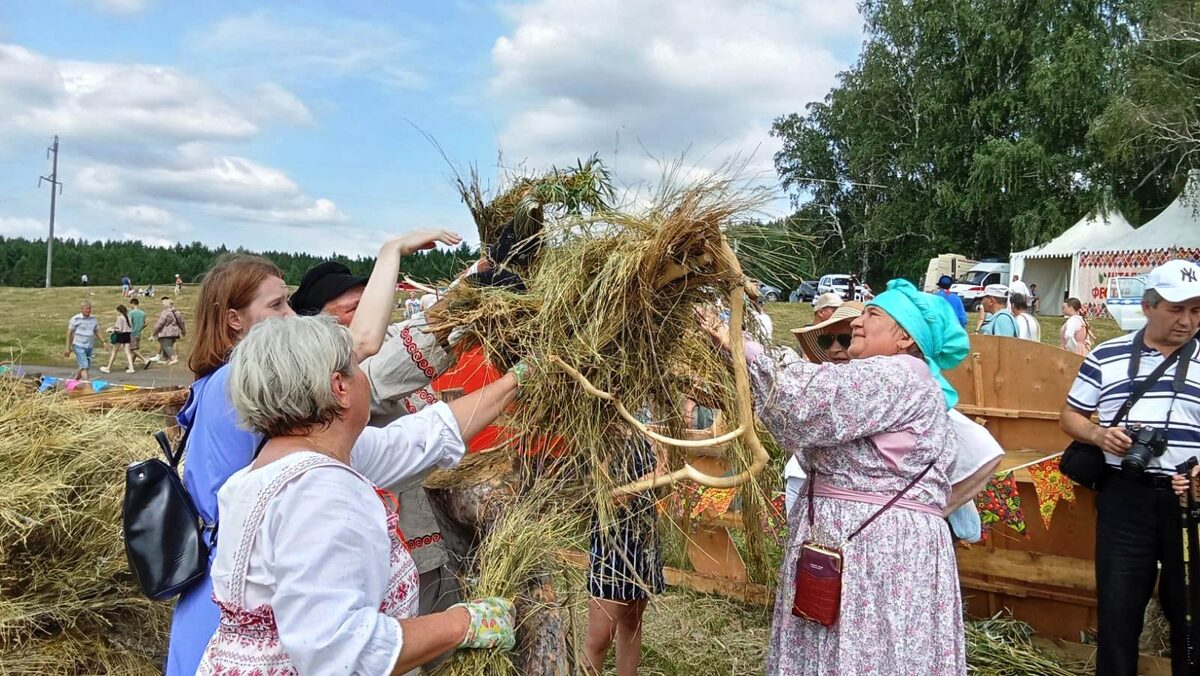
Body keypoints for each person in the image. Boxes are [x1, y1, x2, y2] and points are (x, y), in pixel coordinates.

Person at [168, 233, 469, 674]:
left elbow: (387, 446)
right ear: (234, 319)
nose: (291, 316)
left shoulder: (237, 390)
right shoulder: (243, 385)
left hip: (240, 594)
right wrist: (396, 256)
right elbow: (361, 345)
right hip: (249, 614)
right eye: (276, 307)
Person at [197, 314, 517, 673]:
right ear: (340, 387)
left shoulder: (276, 469)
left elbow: (418, 438)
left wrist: (515, 380)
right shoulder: (320, 493)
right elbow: (342, 653)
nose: (365, 375)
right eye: (356, 366)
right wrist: (463, 623)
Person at [703, 278, 970, 673]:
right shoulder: (893, 380)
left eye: (873, 314)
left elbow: (807, 399)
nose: (858, 322)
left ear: (905, 339)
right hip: (864, 545)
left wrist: (739, 343)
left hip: (877, 554)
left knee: (868, 651)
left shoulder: (899, 374)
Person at [288, 236, 469, 622]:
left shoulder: (382, 339)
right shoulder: (331, 376)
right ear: (320, 323)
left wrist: (476, 277)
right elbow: (392, 365)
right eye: (357, 308)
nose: (375, 313)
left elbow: (419, 326)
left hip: (441, 521)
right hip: (398, 539)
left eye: (375, 300)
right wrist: (466, 294)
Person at [1061, 259, 1200, 676]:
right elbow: (1070, 416)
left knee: (1190, 614)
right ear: (1147, 306)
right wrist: (1101, 436)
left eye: (1196, 310)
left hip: (1188, 501)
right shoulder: (1108, 354)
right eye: (1176, 309)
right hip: (1125, 497)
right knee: (1118, 613)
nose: (1187, 320)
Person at [582, 435, 666, 676]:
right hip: (610, 541)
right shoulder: (599, 429)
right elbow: (604, 498)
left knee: (632, 622)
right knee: (600, 634)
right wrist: (653, 477)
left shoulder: (648, 424)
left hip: (643, 537)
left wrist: (661, 464)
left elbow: (663, 475)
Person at [65, 301, 104, 380]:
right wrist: (67, 347)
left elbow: (96, 331)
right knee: (85, 366)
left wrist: (103, 342)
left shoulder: (93, 319)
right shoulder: (76, 319)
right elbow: (69, 333)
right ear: (82, 309)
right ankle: (87, 386)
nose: (88, 311)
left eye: (89, 309)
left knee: (85, 367)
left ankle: (74, 382)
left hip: (89, 346)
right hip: (78, 345)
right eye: (86, 309)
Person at [99, 304, 136, 374]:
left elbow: (119, 329)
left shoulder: (120, 318)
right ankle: (131, 367)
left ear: (119, 311)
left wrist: (111, 329)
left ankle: (108, 367)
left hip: (120, 335)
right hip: (127, 335)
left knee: (114, 352)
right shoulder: (128, 317)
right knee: (128, 352)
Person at [150, 297, 186, 365]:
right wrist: (183, 331)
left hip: (166, 332)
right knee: (170, 344)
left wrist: (154, 332)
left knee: (166, 345)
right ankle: (165, 359)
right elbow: (181, 322)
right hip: (175, 332)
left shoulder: (165, 312)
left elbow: (160, 323)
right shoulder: (177, 312)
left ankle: (173, 358)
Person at [127, 298, 148, 365]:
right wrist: (140, 328)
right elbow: (145, 324)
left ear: (132, 304)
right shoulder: (143, 313)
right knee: (135, 349)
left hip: (132, 333)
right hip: (139, 333)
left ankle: (145, 360)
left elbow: (129, 323)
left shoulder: (131, 312)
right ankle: (131, 364)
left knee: (132, 349)